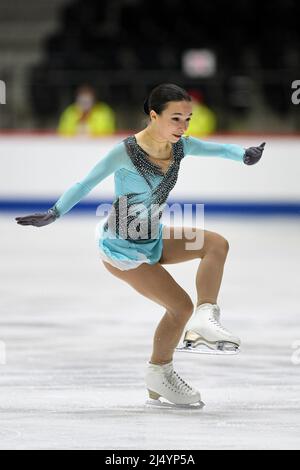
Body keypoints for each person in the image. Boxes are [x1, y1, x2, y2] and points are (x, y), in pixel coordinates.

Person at [16, 83, 265, 408]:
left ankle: (206, 318)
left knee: (216, 244)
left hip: (152, 236)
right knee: (179, 307)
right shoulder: (125, 152)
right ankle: (159, 372)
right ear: (153, 115)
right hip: (123, 249)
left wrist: (242, 155)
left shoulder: (180, 147)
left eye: (187, 119)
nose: (183, 127)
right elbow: (85, 182)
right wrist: (55, 212)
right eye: (176, 119)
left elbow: (215, 149)